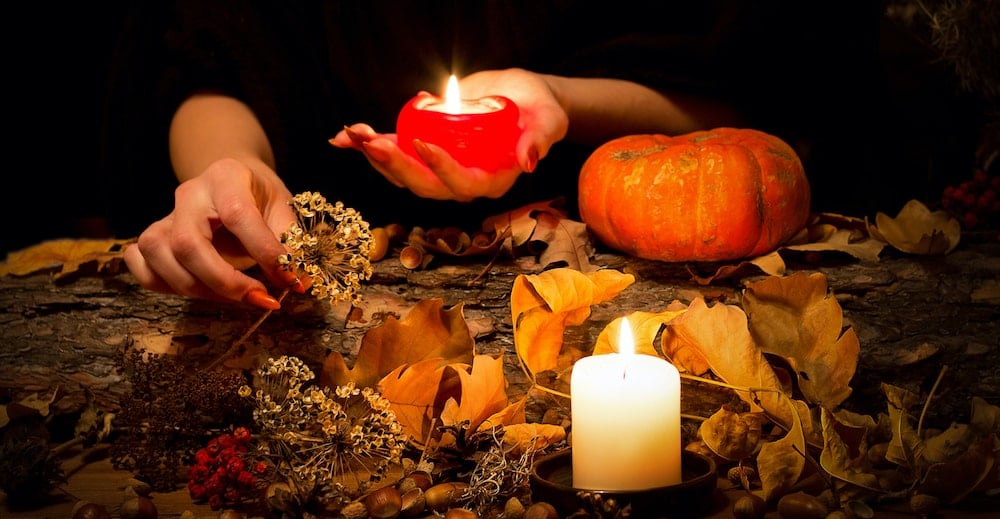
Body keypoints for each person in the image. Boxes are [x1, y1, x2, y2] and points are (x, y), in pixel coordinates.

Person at [105, 1, 876, 309]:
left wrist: (559, 101)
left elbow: (741, 111)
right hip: (335, 263)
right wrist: (231, 167)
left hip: (601, 257)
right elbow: (213, 52)